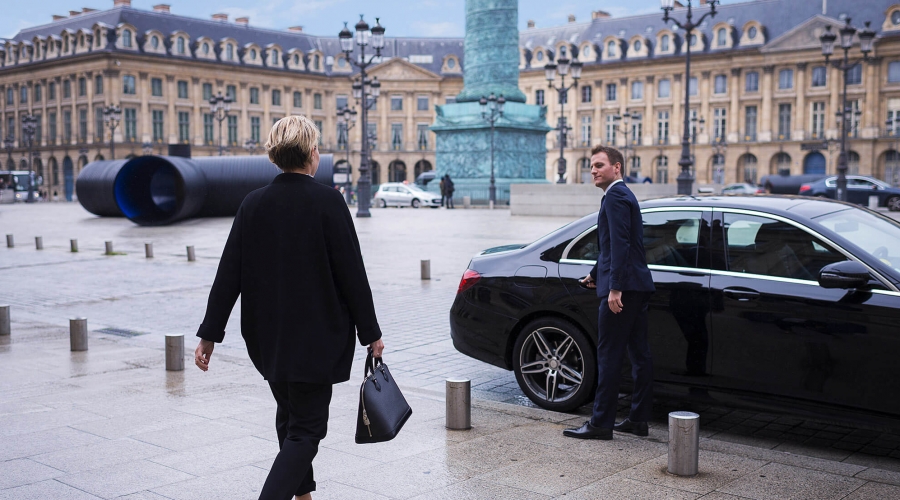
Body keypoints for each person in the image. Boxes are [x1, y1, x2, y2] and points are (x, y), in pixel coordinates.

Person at [193, 115, 385, 500]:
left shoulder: (253, 204)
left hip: (269, 341)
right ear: (312, 154)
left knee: (289, 415)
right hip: (316, 339)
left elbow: (228, 273)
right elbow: (352, 274)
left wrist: (209, 335)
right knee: (308, 429)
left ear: (273, 156)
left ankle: (303, 495)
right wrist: (372, 334)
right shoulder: (328, 201)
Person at [563, 145, 655, 441]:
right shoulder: (623, 194)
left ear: (617, 167)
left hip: (623, 289)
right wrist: (594, 273)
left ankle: (601, 423)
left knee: (609, 356)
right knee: (640, 355)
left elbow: (620, 246)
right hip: (637, 285)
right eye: (592, 165)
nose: (593, 170)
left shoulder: (615, 196)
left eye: (600, 165)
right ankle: (638, 420)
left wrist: (614, 288)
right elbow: (612, 245)